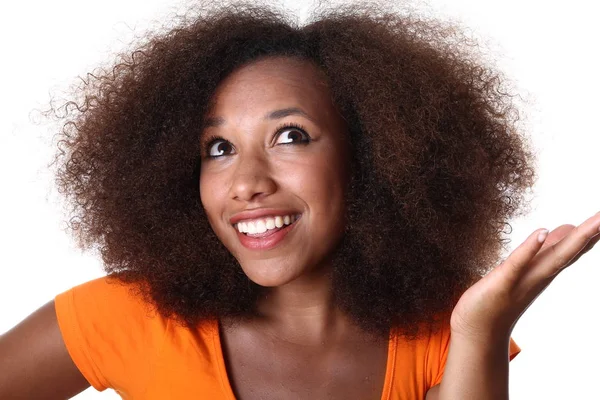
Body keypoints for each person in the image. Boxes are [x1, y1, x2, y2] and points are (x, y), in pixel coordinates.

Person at [1, 1, 599, 399]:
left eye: (290, 137)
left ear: (375, 155)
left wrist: (480, 332)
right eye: (218, 148)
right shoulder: (125, 317)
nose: (245, 182)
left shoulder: (440, 332)